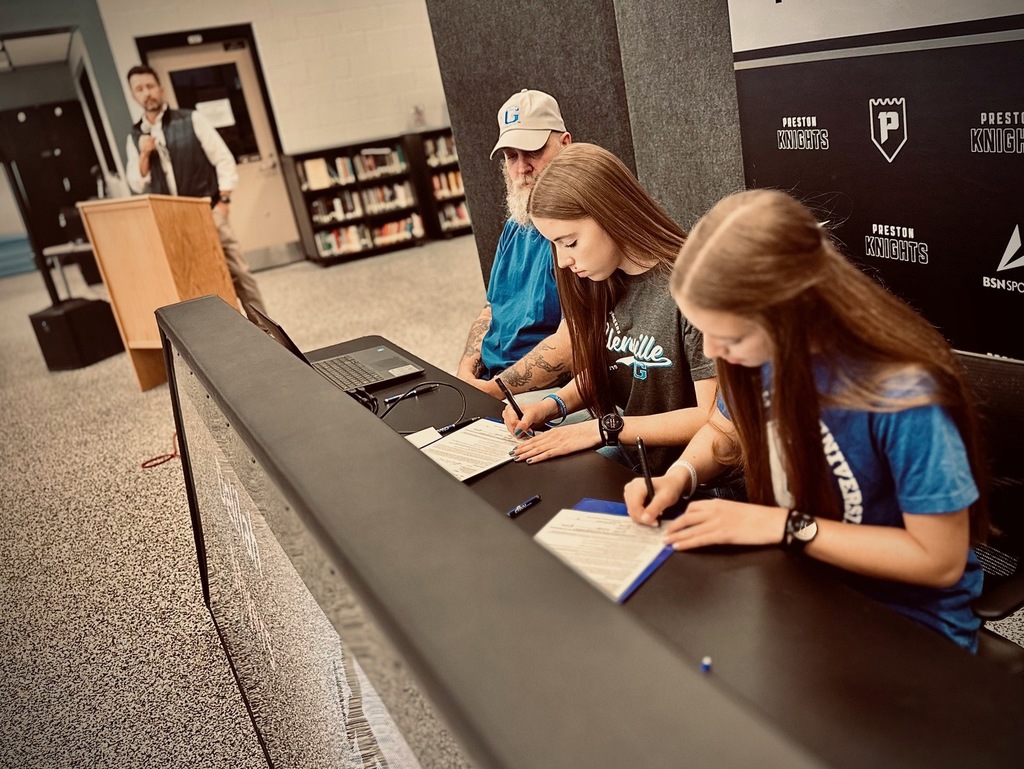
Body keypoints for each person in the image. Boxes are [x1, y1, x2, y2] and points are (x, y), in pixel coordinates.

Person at [624, 188, 988, 651]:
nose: (712, 350)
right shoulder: (759, 360)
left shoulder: (903, 395)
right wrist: (678, 477)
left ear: (792, 313)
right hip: (803, 585)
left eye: (728, 336)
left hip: (907, 624)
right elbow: (724, 430)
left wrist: (784, 526)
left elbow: (939, 560)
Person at [502, 143, 717, 475]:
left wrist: (603, 428)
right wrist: (551, 405)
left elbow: (713, 416)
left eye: (569, 242)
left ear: (612, 214)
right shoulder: (602, 279)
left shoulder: (692, 287)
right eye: (554, 245)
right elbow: (613, 369)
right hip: (633, 457)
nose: (563, 260)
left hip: (692, 476)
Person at [124, 65, 268, 328]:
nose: (147, 94)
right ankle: (216, 335)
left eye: (150, 86)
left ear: (161, 88)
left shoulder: (191, 119)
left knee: (238, 272)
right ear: (134, 96)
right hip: (170, 222)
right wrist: (145, 153)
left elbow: (223, 159)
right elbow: (136, 182)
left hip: (208, 210)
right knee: (191, 278)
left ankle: (266, 331)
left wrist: (224, 202)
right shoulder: (135, 136)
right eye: (140, 89)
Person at [456, 89, 573, 399]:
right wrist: (465, 372)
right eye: (511, 156)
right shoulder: (515, 225)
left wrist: (495, 390)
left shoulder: (577, 232)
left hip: (544, 392)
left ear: (565, 145)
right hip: (492, 384)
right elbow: (491, 310)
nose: (522, 169)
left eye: (532, 152)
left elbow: (574, 341)